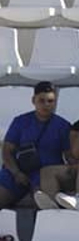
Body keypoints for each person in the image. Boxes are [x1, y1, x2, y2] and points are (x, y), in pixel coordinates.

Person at [0, 82, 71, 210]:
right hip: (17, 171)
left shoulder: (63, 126)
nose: (46, 105)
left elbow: (69, 155)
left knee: (43, 202)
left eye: (50, 101)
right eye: (42, 101)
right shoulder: (20, 122)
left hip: (43, 174)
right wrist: (16, 173)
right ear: (34, 100)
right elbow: (6, 151)